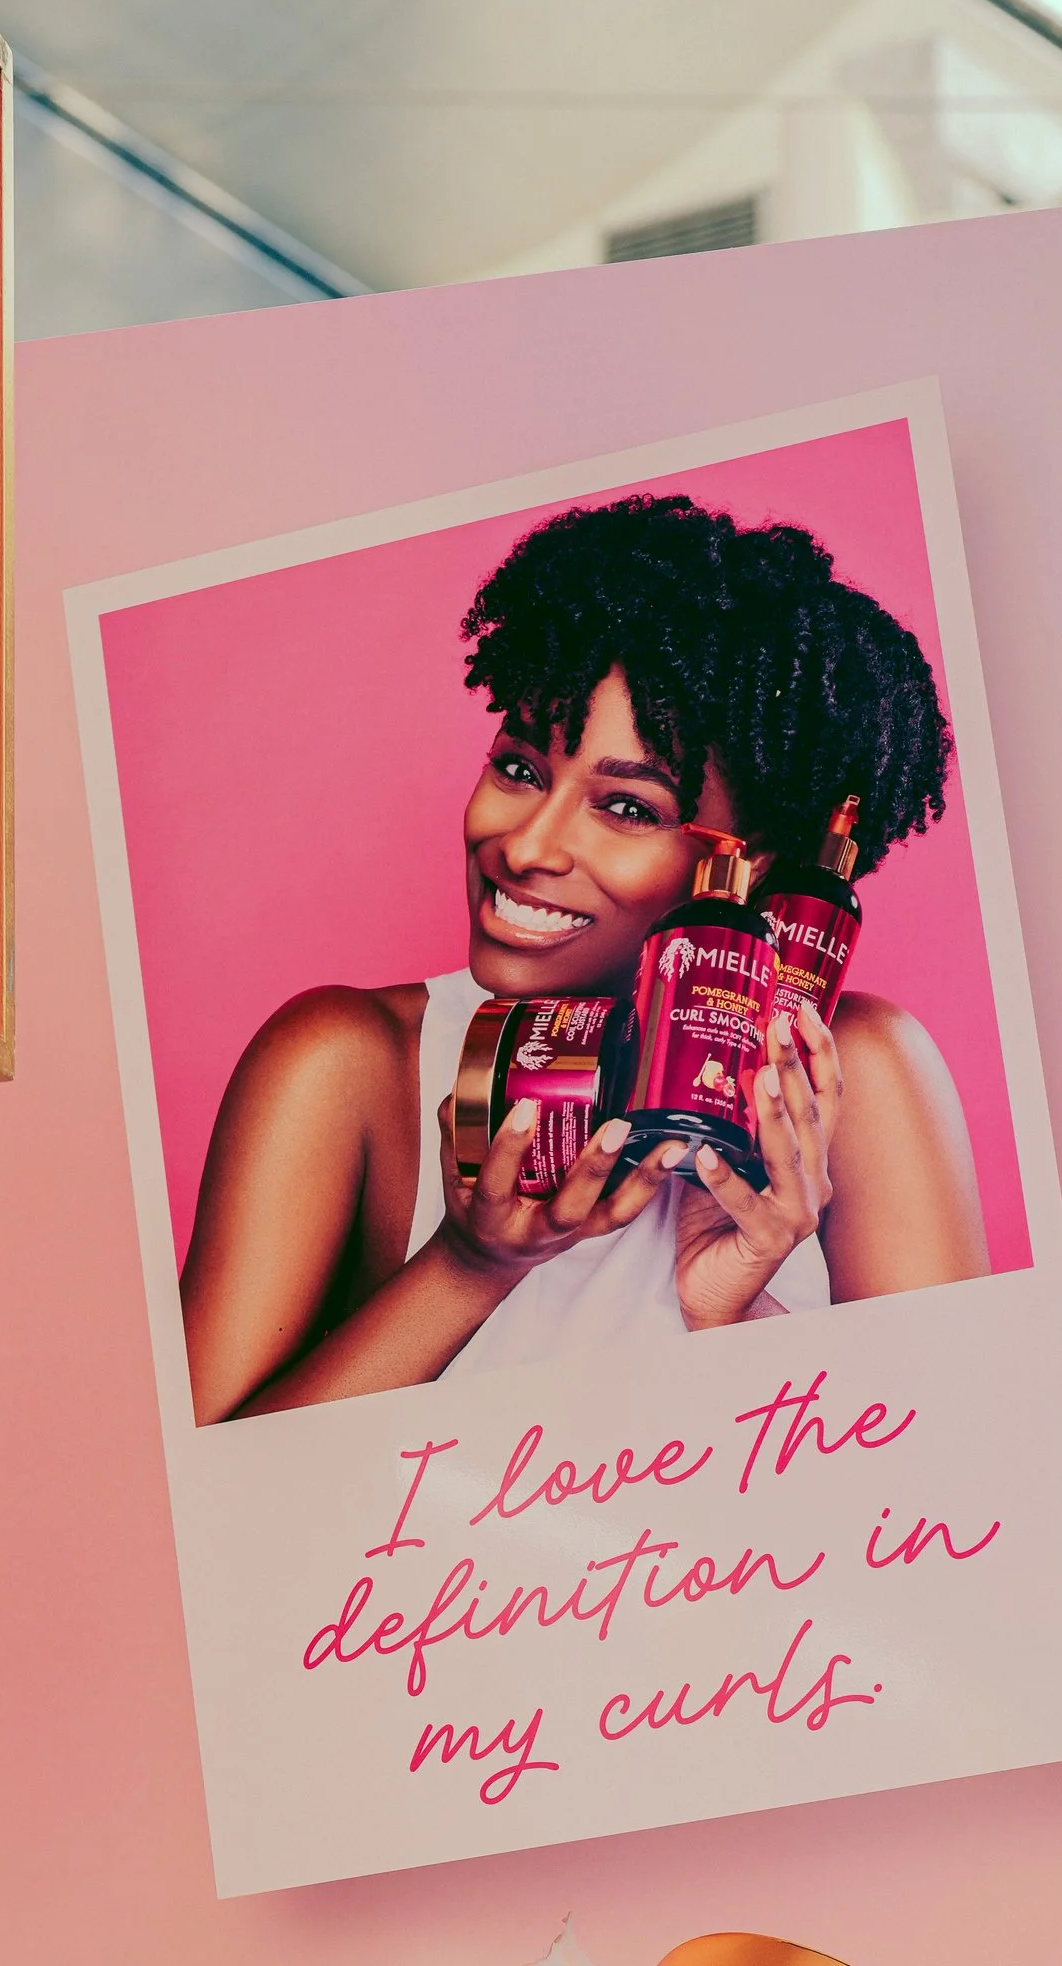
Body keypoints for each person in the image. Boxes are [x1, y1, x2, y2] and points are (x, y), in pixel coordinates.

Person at [181, 492, 988, 1422]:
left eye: (629, 808)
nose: (525, 847)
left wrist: (731, 1316)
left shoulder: (846, 1079)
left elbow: (960, 1505)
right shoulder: (345, 1063)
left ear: (753, 864)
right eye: (520, 768)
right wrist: (470, 1263)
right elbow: (193, 1517)